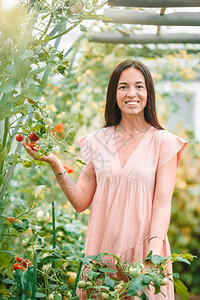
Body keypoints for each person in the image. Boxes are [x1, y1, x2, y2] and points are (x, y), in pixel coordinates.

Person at [22, 59, 187, 299]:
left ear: (149, 93)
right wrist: (55, 163)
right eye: (123, 87)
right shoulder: (97, 142)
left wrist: (152, 259)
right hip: (101, 258)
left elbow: (162, 205)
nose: (132, 93)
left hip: (145, 257)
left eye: (139, 86)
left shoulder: (163, 142)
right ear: (114, 94)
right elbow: (80, 202)